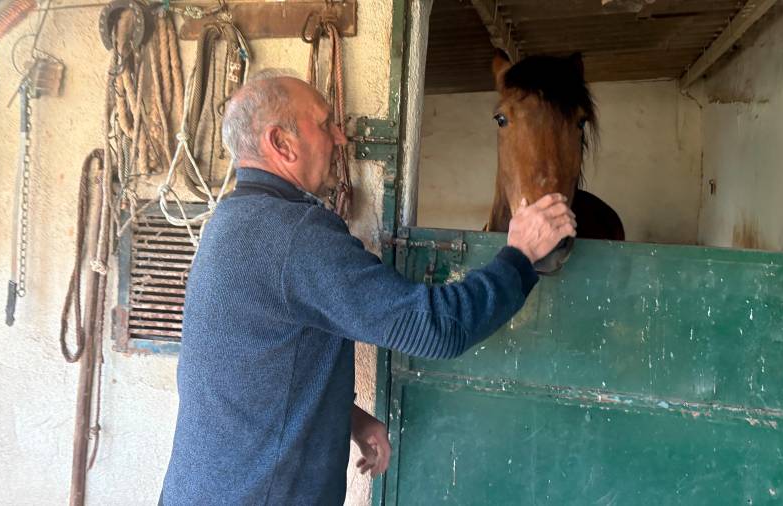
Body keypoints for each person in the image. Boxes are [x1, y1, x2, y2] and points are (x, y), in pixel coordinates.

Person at [160, 70, 577, 505]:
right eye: (323, 124)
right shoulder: (294, 236)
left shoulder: (229, 222)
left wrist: (349, 417)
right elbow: (436, 328)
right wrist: (520, 256)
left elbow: (252, 370)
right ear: (281, 144)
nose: (339, 137)